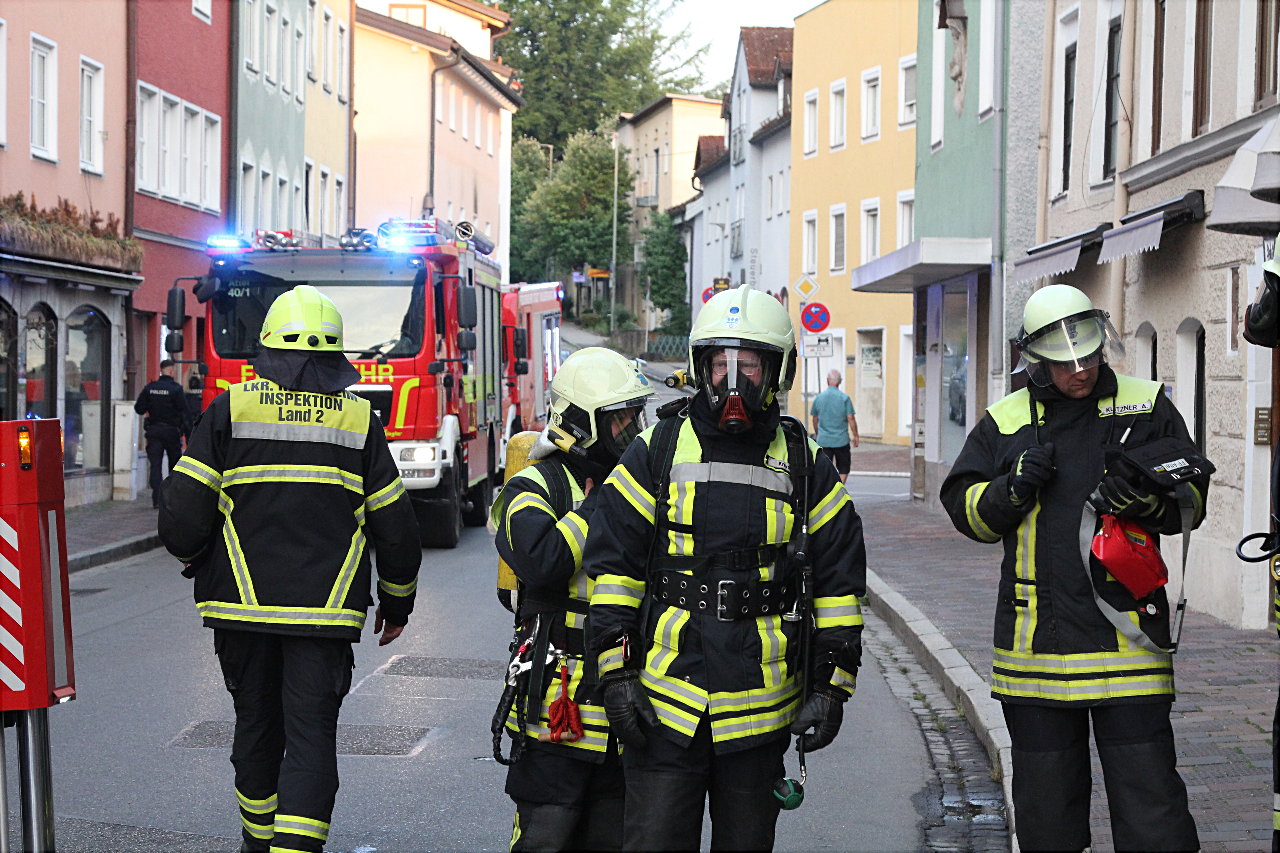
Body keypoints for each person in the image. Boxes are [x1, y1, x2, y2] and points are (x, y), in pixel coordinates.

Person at [585, 286, 866, 851]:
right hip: (665, 707)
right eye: (720, 365)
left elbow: (839, 583)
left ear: (777, 372)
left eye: (749, 366)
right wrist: (614, 675)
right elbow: (613, 568)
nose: (732, 383)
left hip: (761, 715)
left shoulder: (804, 463)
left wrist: (831, 686)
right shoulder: (658, 448)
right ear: (700, 368)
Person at [940, 284, 1209, 852]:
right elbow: (966, 512)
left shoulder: (1146, 405)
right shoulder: (1005, 421)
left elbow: (1193, 499)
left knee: (1154, 816)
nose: (1080, 371)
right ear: (1036, 360)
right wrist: (1012, 489)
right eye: (1064, 364)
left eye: (1088, 356)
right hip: (1037, 654)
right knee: (1047, 822)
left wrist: (1148, 503)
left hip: (1130, 644)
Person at [157, 285, 421, 853]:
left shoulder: (231, 407)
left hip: (240, 608)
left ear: (269, 346)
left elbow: (183, 509)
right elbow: (395, 524)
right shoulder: (359, 420)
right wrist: (397, 601)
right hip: (325, 616)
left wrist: (193, 558)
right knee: (310, 737)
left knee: (254, 725)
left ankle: (258, 842)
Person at [493, 346, 655, 851]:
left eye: (636, 417)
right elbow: (541, 561)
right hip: (556, 709)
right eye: (619, 421)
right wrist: (595, 507)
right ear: (581, 425)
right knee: (547, 836)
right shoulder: (533, 484)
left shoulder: (643, 485)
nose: (632, 432)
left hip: (625, 701)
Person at [134, 358, 192, 507]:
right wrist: (189, 435)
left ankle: (157, 499)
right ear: (172, 371)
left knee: (155, 465)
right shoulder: (176, 389)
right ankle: (171, 499)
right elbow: (185, 413)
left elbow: (139, 408)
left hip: (154, 431)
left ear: (161, 370)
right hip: (172, 432)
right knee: (174, 466)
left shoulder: (150, 388)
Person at [809, 368, 859, 484]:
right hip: (841, 440)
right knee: (844, 468)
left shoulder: (819, 398)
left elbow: (815, 419)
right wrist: (856, 435)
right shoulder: (845, 398)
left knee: (825, 468)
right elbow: (851, 418)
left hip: (824, 440)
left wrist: (818, 433)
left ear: (827, 381)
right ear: (840, 381)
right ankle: (840, 487)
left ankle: (828, 489)